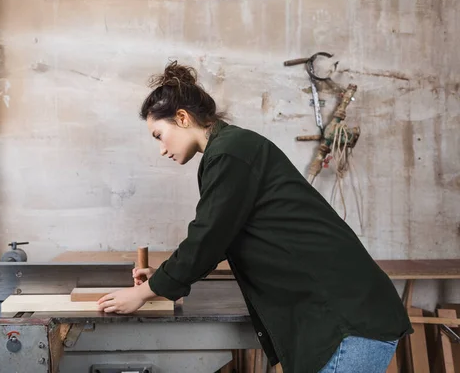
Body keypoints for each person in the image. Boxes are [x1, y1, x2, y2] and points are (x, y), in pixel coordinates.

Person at [97, 61, 412, 373]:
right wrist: (161, 279)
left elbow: (206, 240)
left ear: (182, 118)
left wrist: (141, 293)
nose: (161, 150)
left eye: (158, 135)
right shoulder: (230, 150)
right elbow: (217, 240)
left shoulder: (230, 152)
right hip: (348, 321)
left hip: (347, 323)